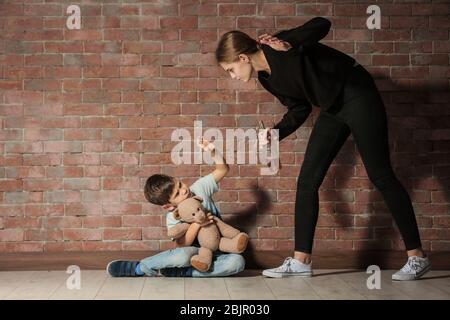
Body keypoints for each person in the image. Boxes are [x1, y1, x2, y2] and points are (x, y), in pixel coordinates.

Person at [215, 16, 431, 281]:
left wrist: (289, 41)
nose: (233, 76)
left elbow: (322, 24)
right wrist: (274, 132)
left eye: (230, 70)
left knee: (381, 176)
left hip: (357, 95)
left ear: (243, 58)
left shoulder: (280, 45)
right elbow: (299, 108)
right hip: (332, 109)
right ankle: (301, 261)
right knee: (307, 181)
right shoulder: (267, 79)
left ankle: (417, 257)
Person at [106, 138, 245, 277]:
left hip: (218, 249)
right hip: (192, 253)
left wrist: (213, 152)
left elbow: (223, 169)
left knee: (237, 262)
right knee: (181, 256)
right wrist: (197, 224)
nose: (184, 190)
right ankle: (140, 268)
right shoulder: (172, 217)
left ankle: (185, 272)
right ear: (169, 206)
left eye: (180, 185)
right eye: (177, 194)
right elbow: (181, 245)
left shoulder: (200, 188)